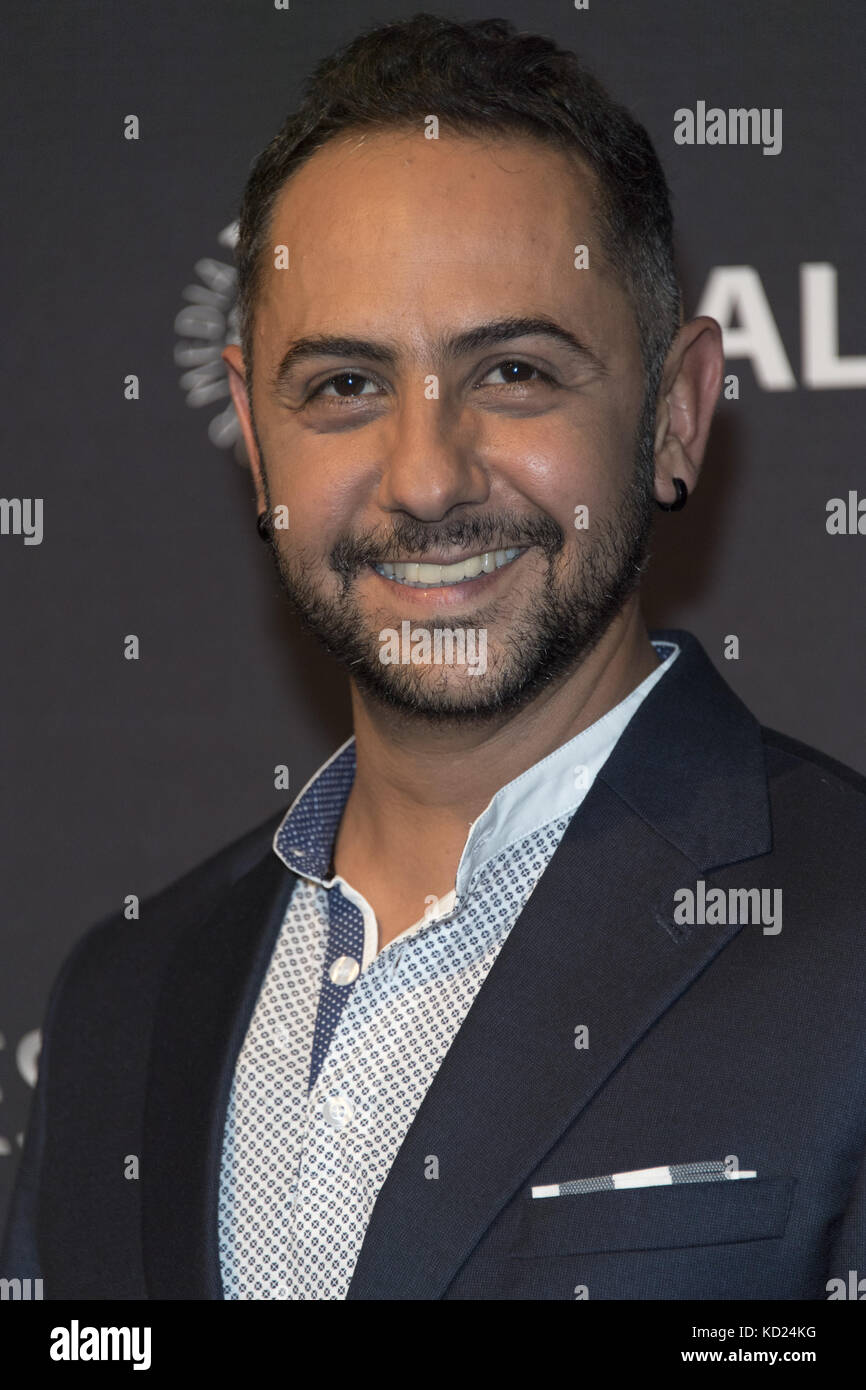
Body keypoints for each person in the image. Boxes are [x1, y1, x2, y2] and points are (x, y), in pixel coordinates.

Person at [2, 13, 864, 1302]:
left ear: (678, 414)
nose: (423, 478)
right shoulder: (123, 1000)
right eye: (344, 387)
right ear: (251, 430)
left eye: (514, 371)